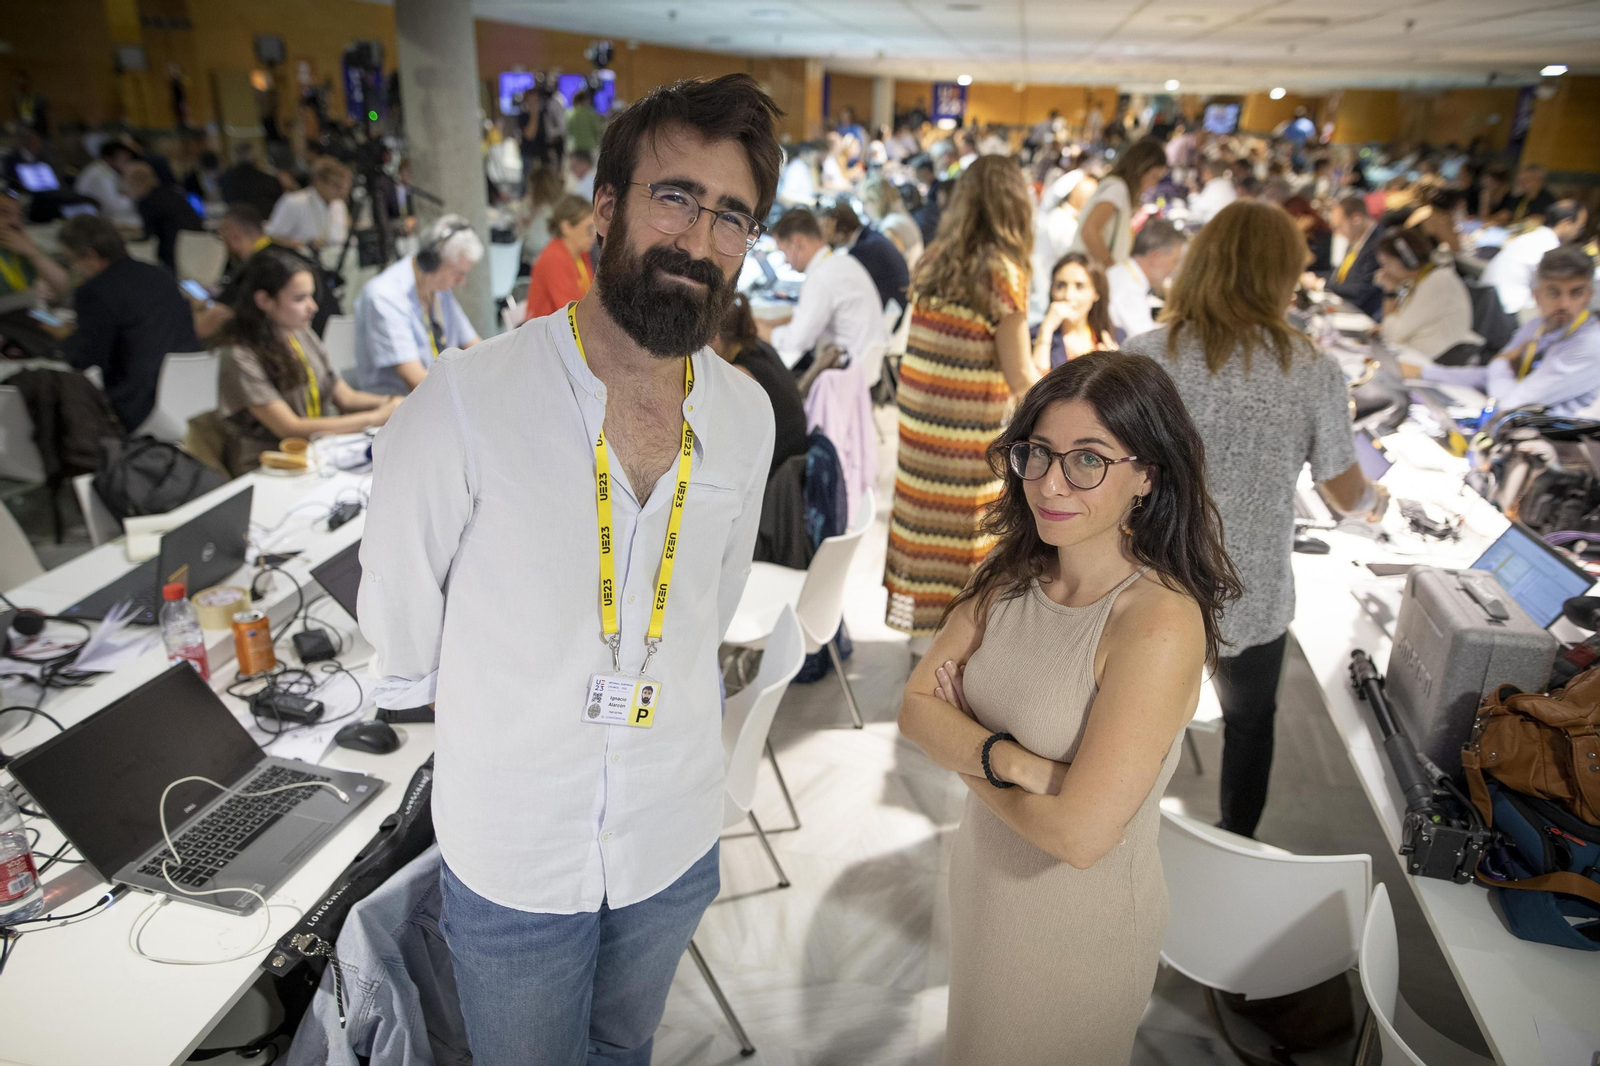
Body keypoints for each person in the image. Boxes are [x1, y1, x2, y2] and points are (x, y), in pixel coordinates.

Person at [358, 73, 781, 1065]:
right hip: (515, 852)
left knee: (621, 1050)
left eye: (732, 217)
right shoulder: (463, 405)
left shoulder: (745, 415)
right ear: (605, 211)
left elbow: (706, 609)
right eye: (674, 196)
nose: (698, 238)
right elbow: (402, 630)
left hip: (670, 837)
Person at [899, 350, 1241, 1064]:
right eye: (1039, 454)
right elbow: (914, 709)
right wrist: (1022, 765)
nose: (1051, 483)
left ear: (1147, 475)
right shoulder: (1011, 575)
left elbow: (1079, 838)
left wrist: (962, 747)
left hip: (1075, 934)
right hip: (988, 890)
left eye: (1089, 460)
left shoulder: (1156, 622)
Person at [1123, 201, 1385, 839]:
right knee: (1249, 723)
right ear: (1282, 275)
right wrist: (1379, 503)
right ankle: (1238, 841)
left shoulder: (1145, 354)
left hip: (1155, 572)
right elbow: (1342, 490)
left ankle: (1121, 824)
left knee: (1135, 714)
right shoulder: (1312, 369)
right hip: (1253, 583)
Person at [886, 156, 1037, 641]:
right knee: (969, 541)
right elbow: (1020, 378)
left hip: (921, 438)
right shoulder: (1004, 275)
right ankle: (958, 647)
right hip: (967, 443)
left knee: (922, 534)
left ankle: (921, 638)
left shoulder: (934, 261)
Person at [213, 249, 398, 472]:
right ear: (264, 300)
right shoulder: (239, 355)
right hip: (270, 464)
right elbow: (290, 428)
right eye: (299, 299)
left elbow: (346, 397)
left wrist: (393, 403)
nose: (313, 307)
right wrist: (377, 416)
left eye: (310, 296)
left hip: (316, 454)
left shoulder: (301, 334)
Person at [58, 214, 200, 432]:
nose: (74, 269)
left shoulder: (95, 292)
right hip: (193, 393)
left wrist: (64, 339)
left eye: (72, 261)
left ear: (90, 255)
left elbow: (88, 360)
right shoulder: (159, 274)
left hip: (139, 405)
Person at [1419, 246, 1600, 416]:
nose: (1564, 304)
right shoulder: (1536, 326)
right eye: (1554, 293)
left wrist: (1501, 362)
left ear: (1588, 297)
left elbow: (1510, 404)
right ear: (1536, 295)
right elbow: (1490, 375)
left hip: (1553, 441)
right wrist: (1425, 373)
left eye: (1576, 293)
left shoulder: (1591, 343)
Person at [354, 214, 483, 396]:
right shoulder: (383, 297)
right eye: (458, 273)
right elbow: (416, 381)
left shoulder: (438, 288)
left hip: (438, 398)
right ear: (432, 262)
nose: (462, 281)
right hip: (400, 410)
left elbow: (475, 346)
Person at [765, 207, 888, 370]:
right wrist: (773, 323)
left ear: (797, 243)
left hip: (845, 372)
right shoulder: (839, 262)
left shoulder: (822, 276)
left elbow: (795, 342)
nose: (786, 261)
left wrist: (759, 330)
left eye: (784, 252)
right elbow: (809, 315)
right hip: (861, 362)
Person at [711, 293, 808, 477]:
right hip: (796, 456)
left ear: (714, 338)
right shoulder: (759, 346)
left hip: (780, 476)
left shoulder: (741, 374)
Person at [1375, 228, 1480, 363]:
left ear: (1406, 260)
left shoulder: (1437, 282)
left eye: (1386, 264)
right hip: (1421, 357)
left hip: (1433, 363)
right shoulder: (1424, 280)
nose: (1384, 271)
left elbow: (1392, 335)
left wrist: (1390, 291)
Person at [1068, 137, 1167, 269]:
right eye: (1154, 177)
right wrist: (1112, 268)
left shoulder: (1119, 189)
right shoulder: (1117, 188)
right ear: (1141, 169)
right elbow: (1089, 231)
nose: (1153, 185)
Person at [1481, 200, 1587, 315]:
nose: (1577, 234)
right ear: (1566, 223)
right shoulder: (1549, 247)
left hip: (1487, 304)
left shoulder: (1530, 237)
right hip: (1506, 313)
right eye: (1579, 228)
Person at [821, 199, 909, 322]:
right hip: (895, 307)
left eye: (825, 228)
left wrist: (826, 244)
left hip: (889, 317)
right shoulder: (869, 237)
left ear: (839, 228)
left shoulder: (863, 250)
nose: (822, 234)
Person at [1033, 252, 1117, 369]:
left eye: (1079, 286)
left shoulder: (1115, 337)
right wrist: (1046, 330)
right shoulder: (1033, 335)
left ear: (1096, 293)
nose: (1068, 295)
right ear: (1051, 290)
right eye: (1061, 285)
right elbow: (1034, 383)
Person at [1105, 219, 1185, 341]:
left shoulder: (1127, 275)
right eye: (1175, 261)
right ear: (1156, 257)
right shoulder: (1128, 287)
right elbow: (1144, 342)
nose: (1175, 269)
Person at [122, 161, 204, 274]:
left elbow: (149, 237)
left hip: (173, 257)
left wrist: (126, 239)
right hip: (198, 251)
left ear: (133, 183)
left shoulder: (147, 201)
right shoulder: (171, 193)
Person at [525, 194, 596, 320]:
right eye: (589, 228)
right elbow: (570, 312)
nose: (593, 235)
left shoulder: (581, 252)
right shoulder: (554, 258)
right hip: (546, 335)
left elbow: (590, 295)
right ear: (566, 227)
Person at [265, 157, 350, 253]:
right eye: (336, 185)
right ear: (319, 182)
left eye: (344, 186)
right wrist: (305, 244)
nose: (342, 191)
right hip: (300, 262)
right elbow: (273, 237)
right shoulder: (294, 202)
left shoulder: (339, 205)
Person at [0, 186, 70, 301]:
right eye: (4, 213)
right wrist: (28, 297)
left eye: (19, 215)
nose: (15, 221)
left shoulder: (20, 245)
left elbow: (64, 288)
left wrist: (33, 253)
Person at [1323, 194, 1385, 319]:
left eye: (1339, 226)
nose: (1337, 233)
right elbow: (1341, 277)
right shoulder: (1357, 240)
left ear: (1356, 219)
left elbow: (1361, 290)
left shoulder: (1379, 244)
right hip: (1347, 309)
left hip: (1364, 316)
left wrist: (1322, 284)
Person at [861, 175, 923, 273]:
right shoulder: (899, 217)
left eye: (866, 202)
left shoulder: (890, 226)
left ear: (876, 199)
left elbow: (896, 264)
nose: (864, 208)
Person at [74, 141, 140, 228]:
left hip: (100, 215)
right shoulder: (99, 174)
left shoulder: (108, 171)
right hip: (87, 220)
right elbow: (114, 207)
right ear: (108, 159)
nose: (128, 163)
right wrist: (134, 198)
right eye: (124, 159)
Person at [218, 143, 285, 220]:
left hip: (237, 222)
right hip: (266, 222)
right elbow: (280, 205)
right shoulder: (269, 180)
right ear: (256, 158)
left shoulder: (225, 179)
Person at [1492, 163, 1556, 227]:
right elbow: (1504, 214)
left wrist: (1507, 223)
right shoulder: (1520, 198)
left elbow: (1534, 221)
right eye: (1520, 180)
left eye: (1527, 180)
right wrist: (1492, 221)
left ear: (1539, 181)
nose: (1521, 184)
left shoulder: (1547, 200)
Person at [1188, 155, 1237, 225]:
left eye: (1202, 172)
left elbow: (1197, 213)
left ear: (1208, 172)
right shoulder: (1226, 185)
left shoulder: (1214, 185)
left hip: (1215, 226)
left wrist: (1193, 193)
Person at [776, 141, 820, 209]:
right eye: (813, 155)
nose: (815, 159)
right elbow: (784, 195)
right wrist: (810, 201)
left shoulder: (804, 167)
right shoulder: (796, 168)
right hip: (794, 209)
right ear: (803, 155)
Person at [566, 88, 605, 156]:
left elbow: (569, 132)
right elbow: (597, 130)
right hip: (590, 147)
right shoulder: (591, 114)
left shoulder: (570, 114)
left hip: (575, 147)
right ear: (585, 101)